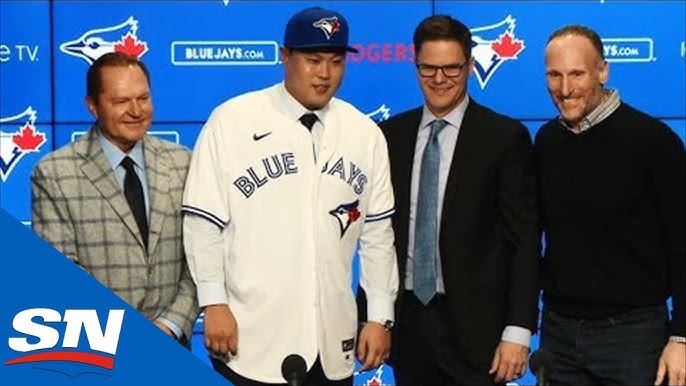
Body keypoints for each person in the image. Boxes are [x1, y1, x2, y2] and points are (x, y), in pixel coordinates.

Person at [181, 6, 398, 386]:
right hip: (251, 338)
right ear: (285, 56)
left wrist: (379, 316)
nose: (325, 73)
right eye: (313, 60)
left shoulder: (365, 134)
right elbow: (203, 224)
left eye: (335, 61)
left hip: (333, 339)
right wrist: (213, 302)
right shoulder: (232, 121)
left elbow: (378, 237)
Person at [365, 14, 540, 386]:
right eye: (429, 68)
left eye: (451, 68)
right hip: (407, 324)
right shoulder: (389, 136)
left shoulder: (504, 137)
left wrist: (519, 330)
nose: (439, 79)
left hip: (479, 331)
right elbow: (377, 234)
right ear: (415, 66)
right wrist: (374, 316)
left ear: (470, 66)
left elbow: (524, 242)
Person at [536, 24, 686, 386]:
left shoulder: (654, 142)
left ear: (602, 71)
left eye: (577, 74)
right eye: (555, 75)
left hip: (634, 338)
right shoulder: (546, 142)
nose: (565, 88)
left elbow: (683, 243)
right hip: (558, 335)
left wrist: (681, 337)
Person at [31, 52, 199, 346]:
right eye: (121, 101)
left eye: (143, 98)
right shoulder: (55, 173)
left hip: (171, 346)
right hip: (94, 348)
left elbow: (200, 258)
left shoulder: (183, 162)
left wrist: (172, 324)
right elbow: (60, 276)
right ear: (93, 106)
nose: (136, 110)